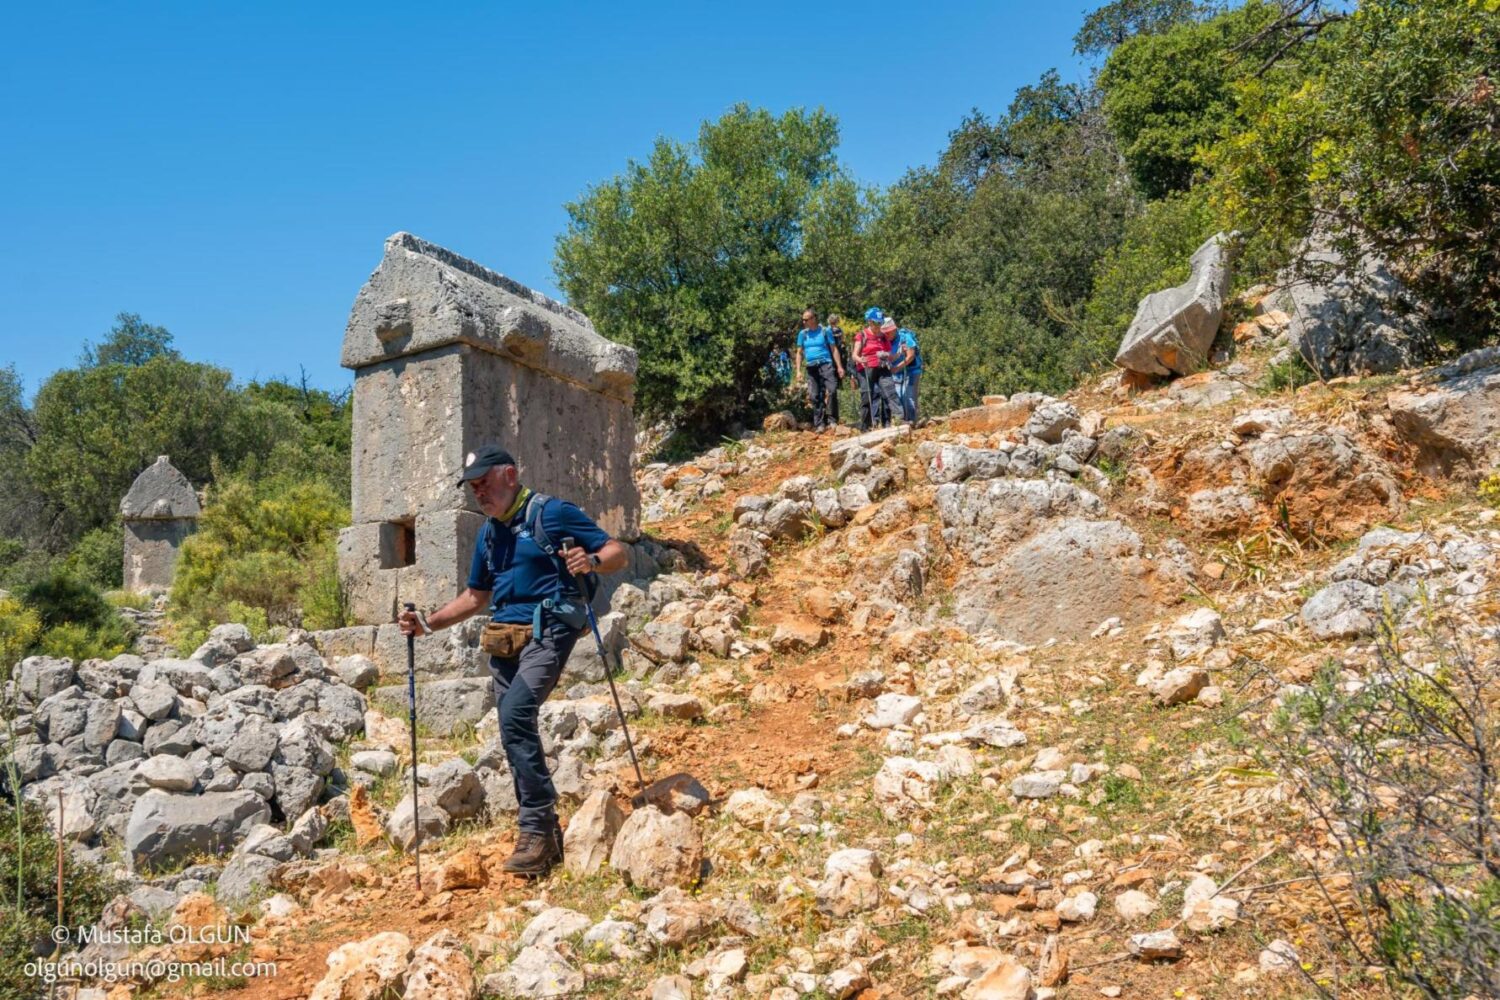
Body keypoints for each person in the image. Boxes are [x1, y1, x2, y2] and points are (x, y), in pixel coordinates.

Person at [398, 445, 628, 877]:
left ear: (509, 474)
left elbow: (617, 552)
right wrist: (425, 625)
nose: (478, 492)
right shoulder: (488, 534)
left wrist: (591, 559)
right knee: (510, 723)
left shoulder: (553, 513)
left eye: (485, 482)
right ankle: (542, 832)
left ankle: (537, 827)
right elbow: (475, 597)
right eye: (473, 487)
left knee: (518, 711)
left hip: (551, 628)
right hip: (505, 639)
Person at [793, 309, 844, 432]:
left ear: (813, 318)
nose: (804, 322)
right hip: (811, 366)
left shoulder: (825, 331)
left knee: (832, 390)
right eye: (803, 320)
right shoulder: (803, 334)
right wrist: (798, 371)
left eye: (806, 319)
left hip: (826, 364)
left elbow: (834, 349)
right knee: (815, 395)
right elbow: (799, 353)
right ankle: (820, 423)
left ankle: (832, 420)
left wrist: (839, 367)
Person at [854, 313, 903, 429]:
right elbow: (854, 355)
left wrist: (900, 353)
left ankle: (899, 421)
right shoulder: (862, 335)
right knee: (867, 396)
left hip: (882, 367)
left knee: (890, 393)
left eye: (880, 323)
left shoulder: (883, 336)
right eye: (876, 323)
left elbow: (889, 355)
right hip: (866, 368)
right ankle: (865, 426)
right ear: (869, 322)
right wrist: (860, 359)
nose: (878, 325)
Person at [889, 320, 923, 426]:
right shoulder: (886, 340)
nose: (886, 334)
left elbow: (911, 356)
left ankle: (913, 421)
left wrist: (897, 368)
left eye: (888, 332)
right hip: (897, 374)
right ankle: (904, 421)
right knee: (898, 396)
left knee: (909, 396)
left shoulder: (905, 337)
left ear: (894, 330)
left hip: (912, 371)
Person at [825, 314, 846, 425]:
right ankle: (832, 416)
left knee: (830, 390)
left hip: (831, 360)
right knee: (833, 389)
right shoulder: (839, 330)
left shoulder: (827, 330)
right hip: (837, 359)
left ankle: (831, 417)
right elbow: (842, 344)